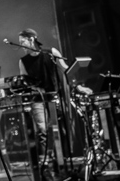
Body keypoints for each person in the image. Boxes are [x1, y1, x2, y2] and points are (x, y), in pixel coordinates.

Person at [17, 29, 92, 181]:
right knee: (43, 131)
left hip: (56, 97)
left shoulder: (51, 53)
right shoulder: (23, 62)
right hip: (38, 99)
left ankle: (61, 164)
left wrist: (78, 86)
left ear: (32, 39)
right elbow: (25, 83)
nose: (20, 45)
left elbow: (67, 71)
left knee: (62, 130)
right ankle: (45, 167)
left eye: (22, 41)